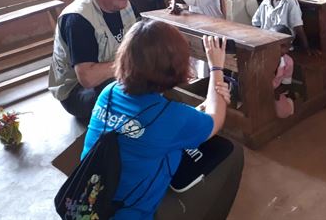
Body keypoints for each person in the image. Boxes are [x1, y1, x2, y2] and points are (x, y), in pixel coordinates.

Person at [81, 20, 243, 219]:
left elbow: (155, 123)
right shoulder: (170, 117)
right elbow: (215, 120)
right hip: (129, 214)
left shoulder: (109, 92)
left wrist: (209, 103)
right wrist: (216, 68)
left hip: (87, 203)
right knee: (233, 154)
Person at [48, 0, 137, 121]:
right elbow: (88, 78)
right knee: (121, 93)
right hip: (77, 91)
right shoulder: (78, 19)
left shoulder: (123, 3)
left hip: (113, 72)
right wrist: (131, 64)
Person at [270, 24, 295, 119]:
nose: (280, 49)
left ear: (289, 47)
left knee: (284, 113)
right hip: (260, 91)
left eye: (285, 46)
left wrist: (276, 92)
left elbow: (286, 84)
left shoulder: (288, 62)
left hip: (275, 91)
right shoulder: (261, 59)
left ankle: (289, 101)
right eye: (276, 45)